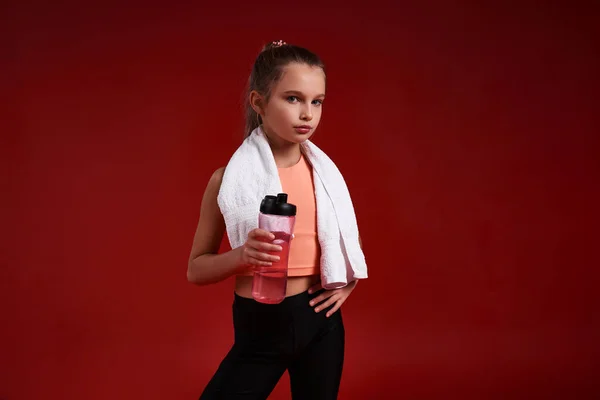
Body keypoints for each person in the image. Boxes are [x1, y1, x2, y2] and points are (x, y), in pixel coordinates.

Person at [187, 40, 367, 400]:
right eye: (293, 98)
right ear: (258, 103)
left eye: (317, 102)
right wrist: (242, 257)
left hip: (321, 323)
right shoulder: (228, 181)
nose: (307, 114)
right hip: (262, 322)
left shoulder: (326, 177)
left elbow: (347, 242)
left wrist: (348, 283)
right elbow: (196, 269)